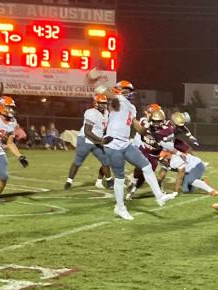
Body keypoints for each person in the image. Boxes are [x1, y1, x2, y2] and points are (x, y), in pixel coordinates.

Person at [102, 82, 176, 220]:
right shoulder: (116, 101)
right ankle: (120, 208)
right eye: (126, 89)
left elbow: (138, 128)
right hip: (113, 144)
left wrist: (148, 128)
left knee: (146, 166)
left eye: (130, 90)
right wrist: (96, 80)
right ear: (119, 90)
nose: (129, 92)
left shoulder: (131, 107)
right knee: (119, 178)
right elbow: (106, 93)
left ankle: (159, 196)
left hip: (125, 143)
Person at [66, 92, 113, 189]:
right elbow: (87, 132)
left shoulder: (106, 113)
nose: (103, 105)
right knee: (78, 162)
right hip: (85, 140)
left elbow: (103, 128)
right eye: (101, 103)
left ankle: (109, 182)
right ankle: (69, 182)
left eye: (105, 103)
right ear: (96, 103)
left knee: (106, 160)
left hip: (97, 141)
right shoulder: (91, 112)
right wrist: (101, 140)